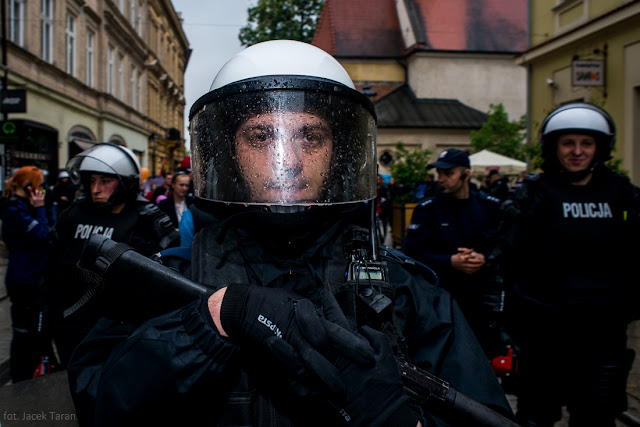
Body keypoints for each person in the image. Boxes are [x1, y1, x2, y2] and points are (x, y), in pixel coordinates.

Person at [67, 40, 513, 426]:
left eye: (312, 137)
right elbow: (97, 402)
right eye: (261, 137)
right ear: (229, 152)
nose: (290, 159)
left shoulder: (404, 292)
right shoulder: (171, 279)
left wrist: (402, 421)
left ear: (339, 150)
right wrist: (206, 325)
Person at [491, 102, 640, 426]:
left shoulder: (623, 194)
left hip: (605, 334)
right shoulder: (532, 195)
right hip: (544, 334)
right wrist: (505, 322)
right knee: (536, 415)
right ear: (553, 147)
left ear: (600, 146)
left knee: (597, 416)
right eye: (567, 143)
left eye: (586, 143)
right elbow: (503, 260)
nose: (577, 152)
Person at [47, 143, 180, 367]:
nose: (96, 189)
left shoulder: (147, 217)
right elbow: (52, 263)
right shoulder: (73, 213)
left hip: (117, 328)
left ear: (125, 182)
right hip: (70, 322)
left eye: (105, 181)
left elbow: (168, 273)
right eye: (91, 181)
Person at [403, 149, 508, 359]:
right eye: (439, 174)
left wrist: (484, 259)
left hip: (482, 303)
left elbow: (506, 248)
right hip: (442, 301)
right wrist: (450, 261)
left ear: (465, 174)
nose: (441, 179)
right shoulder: (427, 209)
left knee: (483, 360)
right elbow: (411, 254)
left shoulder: (490, 207)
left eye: (448, 174)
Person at [1, 166, 53, 382]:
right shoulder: (16, 210)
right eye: (39, 185)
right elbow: (43, 234)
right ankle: (20, 380)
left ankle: (30, 374)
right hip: (24, 280)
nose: (43, 190)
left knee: (35, 333)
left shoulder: (25, 207)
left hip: (33, 277)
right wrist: (40, 208)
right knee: (24, 334)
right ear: (30, 186)